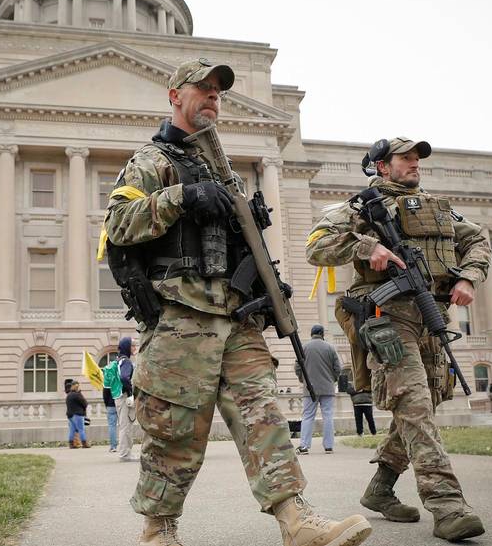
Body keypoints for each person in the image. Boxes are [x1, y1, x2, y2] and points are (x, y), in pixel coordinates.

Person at [103, 57, 370, 546]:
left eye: (218, 91)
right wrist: (182, 198)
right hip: (182, 317)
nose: (212, 96)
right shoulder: (154, 160)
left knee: (263, 414)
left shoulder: (224, 174)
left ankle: (296, 521)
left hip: (236, 317)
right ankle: (158, 530)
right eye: (201, 88)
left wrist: (269, 292)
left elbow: (241, 247)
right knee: (175, 431)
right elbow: (117, 224)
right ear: (174, 95)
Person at [307, 136, 489, 541]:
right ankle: (448, 505)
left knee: (428, 401)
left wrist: (468, 276)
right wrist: (366, 246)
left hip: (431, 315)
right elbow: (316, 246)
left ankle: (381, 488)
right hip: (387, 318)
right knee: (415, 405)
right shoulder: (360, 207)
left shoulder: (438, 208)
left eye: (417, 158)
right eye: (404, 158)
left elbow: (478, 239)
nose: (414, 164)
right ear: (382, 166)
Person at [295, 325, 341, 455]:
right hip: (327, 387)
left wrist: (302, 380)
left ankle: (304, 446)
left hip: (309, 388)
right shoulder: (330, 348)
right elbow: (338, 368)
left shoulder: (304, 347)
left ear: (311, 334)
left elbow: (297, 367)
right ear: (322, 334)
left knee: (308, 416)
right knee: (328, 416)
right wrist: (332, 379)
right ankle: (328, 446)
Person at [114, 336, 136, 462]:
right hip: (125, 397)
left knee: (123, 425)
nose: (134, 348)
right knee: (126, 426)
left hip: (118, 397)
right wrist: (130, 392)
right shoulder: (126, 361)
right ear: (127, 347)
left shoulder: (119, 360)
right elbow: (124, 378)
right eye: (132, 345)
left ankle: (125, 452)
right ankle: (125, 454)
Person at [101, 362, 119, 453]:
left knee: (112, 426)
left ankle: (113, 446)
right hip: (120, 403)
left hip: (110, 405)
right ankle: (125, 446)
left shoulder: (107, 381)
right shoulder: (118, 379)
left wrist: (106, 404)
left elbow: (105, 395)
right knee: (124, 426)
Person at [66, 381, 90, 448]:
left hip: (70, 415)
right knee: (81, 429)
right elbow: (85, 403)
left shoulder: (69, 395)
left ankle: (71, 444)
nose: (78, 387)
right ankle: (84, 443)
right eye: (77, 386)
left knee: (72, 430)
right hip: (78, 414)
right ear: (75, 386)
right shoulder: (77, 395)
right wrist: (80, 393)